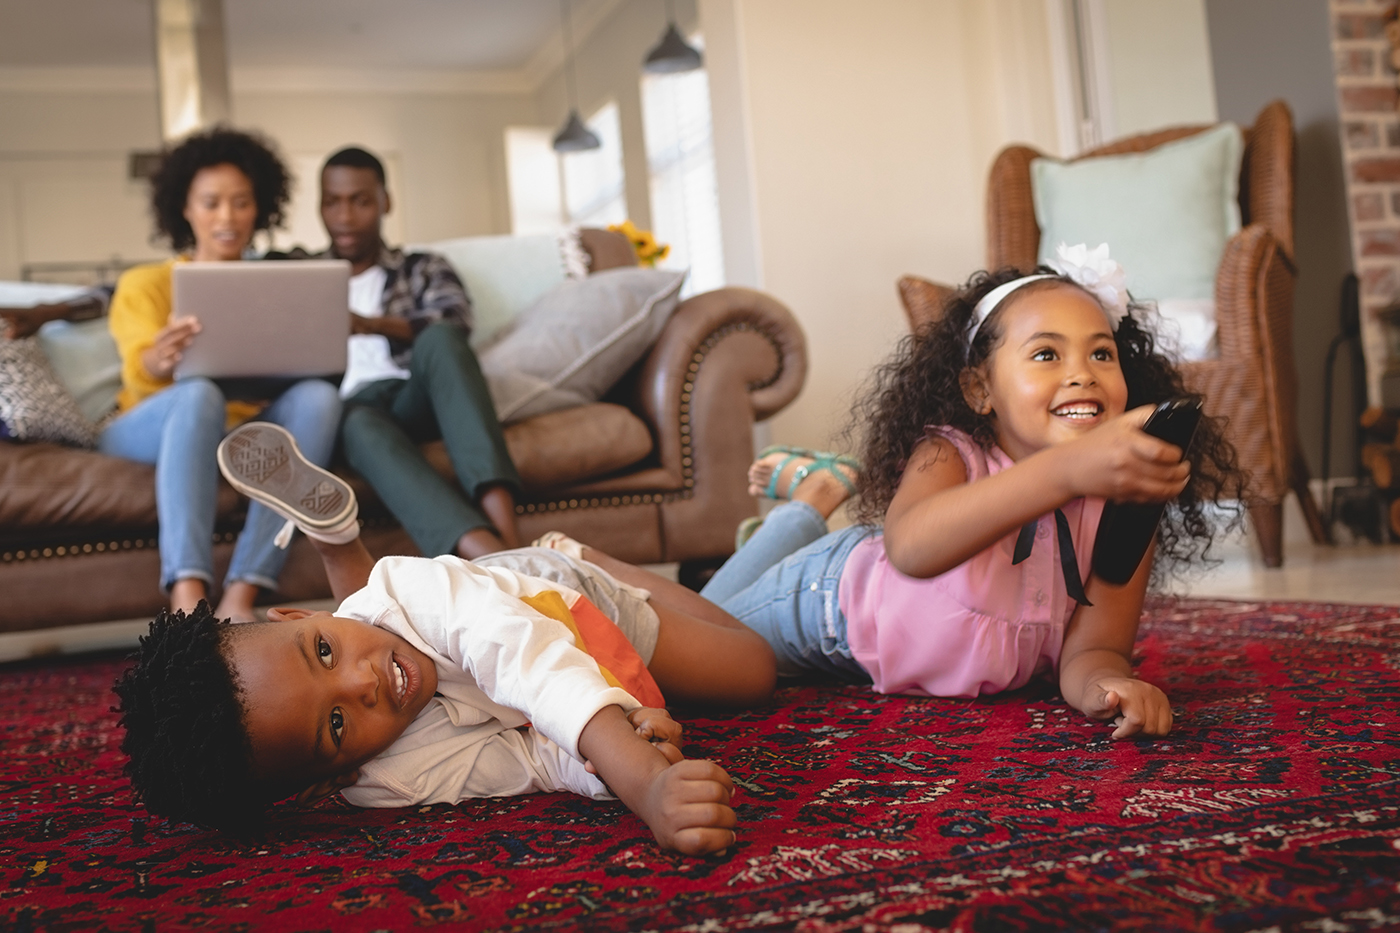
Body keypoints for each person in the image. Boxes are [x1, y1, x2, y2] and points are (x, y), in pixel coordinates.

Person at [112, 421, 776, 855]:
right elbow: (528, 764)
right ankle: (339, 545)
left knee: (753, 667)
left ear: (294, 614)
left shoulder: (410, 590)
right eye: (336, 724)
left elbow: (528, 657)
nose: (361, 682)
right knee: (732, 621)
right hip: (546, 658)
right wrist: (609, 761)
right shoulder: (385, 781)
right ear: (330, 779)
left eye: (322, 651)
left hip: (563, 607)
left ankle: (594, 557)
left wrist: (647, 788)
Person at [698, 244, 1245, 739]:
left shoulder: (1125, 498)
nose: (1083, 374)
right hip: (819, 606)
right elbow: (912, 547)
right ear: (980, 389)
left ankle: (809, 502)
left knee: (694, 633)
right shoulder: (950, 453)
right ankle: (804, 512)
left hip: (875, 648)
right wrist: (1067, 471)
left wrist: (1106, 685)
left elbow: (1096, 647)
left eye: (1101, 354)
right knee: (684, 652)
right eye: (1047, 354)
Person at [100, 127, 343, 622]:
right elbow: (137, 366)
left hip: (235, 426)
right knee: (198, 394)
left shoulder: (276, 284)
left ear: (261, 209)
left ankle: (244, 592)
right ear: (184, 208)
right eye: (211, 203)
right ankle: (188, 594)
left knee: (319, 396)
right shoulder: (145, 284)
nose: (227, 218)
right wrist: (160, 360)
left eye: (241, 203)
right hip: (151, 421)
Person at [297, 145, 521, 560]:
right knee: (357, 423)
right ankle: (491, 556)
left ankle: (509, 532)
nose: (344, 217)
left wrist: (369, 324)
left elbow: (455, 321)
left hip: (410, 398)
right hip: (348, 409)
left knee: (439, 338)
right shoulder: (297, 274)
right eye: (332, 203)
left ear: (386, 202)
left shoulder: (421, 266)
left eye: (361, 201)